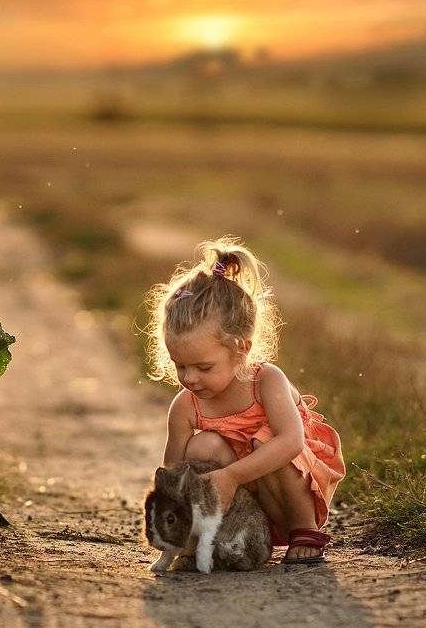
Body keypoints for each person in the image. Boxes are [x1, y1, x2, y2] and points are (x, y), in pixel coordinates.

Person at [147, 236, 346, 565]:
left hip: (286, 493)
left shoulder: (266, 382)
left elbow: (292, 442)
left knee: (266, 440)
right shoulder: (185, 406)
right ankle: (222, 535)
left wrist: (232, 476)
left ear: (241, 348)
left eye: (203, 367)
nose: (189, 378)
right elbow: (173, 472)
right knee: (200, 449)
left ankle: (304, 530)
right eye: (179, 365)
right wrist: (173, 523)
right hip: (236, 506)